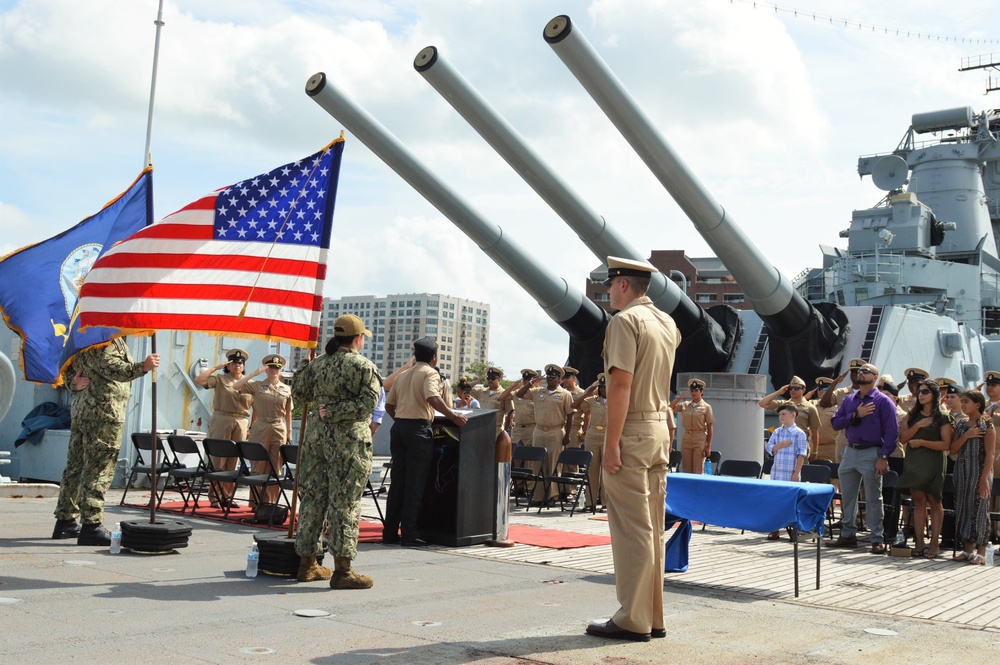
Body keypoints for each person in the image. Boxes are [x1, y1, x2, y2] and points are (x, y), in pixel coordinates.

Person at [585, 256, 679, 643]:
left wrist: (610, 445)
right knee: (653, 527)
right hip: (658, 428)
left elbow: (621, 385)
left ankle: (632, 619)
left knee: (631, 529)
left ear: (623, 284)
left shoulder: (625, 322)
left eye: (610, 284)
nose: (608, 291)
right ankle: (651, 616)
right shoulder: (667, 322)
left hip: (633, 429)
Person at [292, 314, 381, 588]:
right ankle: (343, 571)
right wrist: (335, 410)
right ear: (357, 338)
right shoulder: (363, 366)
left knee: (313, 499)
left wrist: (308, 370)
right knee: (345, 502)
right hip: (347, 442)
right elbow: (368, 404)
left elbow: (298, 394)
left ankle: (308, 564)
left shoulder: (317, 364)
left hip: (316, 439)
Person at [52, 338, 159, 545]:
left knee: (75, 467)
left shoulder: (83, 338)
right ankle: (91, 526)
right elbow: (111, 367)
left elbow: (65, 369)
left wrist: (72, 383)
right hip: (103, 413)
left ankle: (65, 521)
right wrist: (143, 367)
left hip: (84, 411)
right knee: (99, 468)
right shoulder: (103, 338)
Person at [383, 337, 468, 546]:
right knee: (415, 483)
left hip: (399, 428)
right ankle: (410, 535)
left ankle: (390, 533)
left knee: (398, 482)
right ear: (433, 357)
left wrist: (403, 420)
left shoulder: (403, 375)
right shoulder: (430, 373)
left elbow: (389, 405)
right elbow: (432, 397)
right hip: (418, 430)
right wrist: (453, 416)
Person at [827, 362, 899, 554]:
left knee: (873, 497)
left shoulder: (884, 402)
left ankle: (876, 538)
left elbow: (892, 431)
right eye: (860, 371)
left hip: (871, 451)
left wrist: (884, 456)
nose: (861, 373)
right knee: (847, 496)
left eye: (866, 371)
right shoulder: (850, 399)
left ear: (875, 377)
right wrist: (855, 415)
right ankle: (848, 534)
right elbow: (835, 423)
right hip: (850, 451)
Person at [896, 379, 953, 558]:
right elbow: (903, 438)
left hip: (933, 461)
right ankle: (919, 543)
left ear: (935, 395)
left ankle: (934, 544)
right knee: (918, 500)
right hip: (914, 462)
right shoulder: (912, 414)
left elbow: (946, 444)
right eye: (920, 391)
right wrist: (919, 426)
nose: (921, 394)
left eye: (926, 391)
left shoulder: (942, 416)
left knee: (935, 501)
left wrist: (922, 442)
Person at [194, 348, 253, 508]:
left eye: (240, 363)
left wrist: (251, 427)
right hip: (222, 418)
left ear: (243, 366)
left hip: (241, 421)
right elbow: (199, 380)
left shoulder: (250, 383)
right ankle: (215, 496)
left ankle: (227, 496)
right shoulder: (220, 379)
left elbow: (257, 406)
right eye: (233, 363)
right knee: (218, 459)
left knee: (233, 461)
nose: (237, 366)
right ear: (228, 365)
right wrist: (215, 368)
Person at [233, 354, 293, 509]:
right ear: (266, 369)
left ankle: (270, 502)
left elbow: (288, 412)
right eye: (271, 367)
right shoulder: (257, 385)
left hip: (279, 426)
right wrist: (254, 374)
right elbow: (236, 386)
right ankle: (255, 502)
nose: (274, 370)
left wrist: (289, 431)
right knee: (258, 463)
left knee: (275, 465)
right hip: (261, 426)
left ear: (281, 370)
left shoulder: (286, 389)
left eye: (277, 368)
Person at [515, 363, 576, 506]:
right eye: (548, 377)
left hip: (555, 430)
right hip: (539, 430)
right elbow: (519, 394)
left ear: (559, 379)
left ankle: (552, 496)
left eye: (553, 377)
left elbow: (570, 415)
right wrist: (530, 383)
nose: (550, 380)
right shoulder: (537, 391)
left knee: (553, 465)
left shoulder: (564, 394)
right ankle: (538, 496)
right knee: (538, 464)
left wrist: (567, 435)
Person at [950, 390, 996, 565]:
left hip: (979, 473)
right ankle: (967, 550)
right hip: (962, 473)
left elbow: (990, 454)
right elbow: (953, 449)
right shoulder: (961, 426)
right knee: (963, 509)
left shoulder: (987, 426)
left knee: (980, 510)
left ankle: (981, 552)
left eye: (966, 401)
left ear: (977, 404)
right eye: (962, 401)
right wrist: (966, 436)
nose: (963, 405)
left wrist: (984, 478)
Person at [764, 404, 809, 539]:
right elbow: (769, 448)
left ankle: (795, 528)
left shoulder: (799, 433)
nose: (781, 417)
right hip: (777, 472)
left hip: (790, 472)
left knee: (792, 502)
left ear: (793, 415)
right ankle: (775, 528)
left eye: (783, 414)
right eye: (779, 415)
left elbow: (801, 454)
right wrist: (781, 445)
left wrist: (796, 473)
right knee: (775, 500)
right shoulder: (777, 432)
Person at [758, 376, 820, 460]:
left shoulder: (810, 408)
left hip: (800, 446)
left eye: (796, 388)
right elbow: (762, 403)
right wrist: (779, 392)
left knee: (799, 471)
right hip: (783, 445)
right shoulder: (783, 405)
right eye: (791, 388)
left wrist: (814, 451)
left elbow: (814, 431)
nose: (793, 390)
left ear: (803, 390)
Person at [818, 357, 865, 462]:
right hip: (844, 436)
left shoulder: (869, 392)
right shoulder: (841, 392)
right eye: (852, 372)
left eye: (857, 372)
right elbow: (824, 403)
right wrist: (834, 383)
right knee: (841, 470)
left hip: (863, 435)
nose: (854, 374)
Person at [573, 373, 607, 511]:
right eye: (601, 387)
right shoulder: (593, 400)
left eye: (606, 387)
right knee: (592, 470)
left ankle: (606, 502)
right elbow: (575, 404)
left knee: (606, 471)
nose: (603, 389)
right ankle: (590, 502)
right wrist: (589, 389)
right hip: (592, 435)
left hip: (607, 434)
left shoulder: (617, 400)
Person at [669, 378, 713, 474]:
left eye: (696, 390)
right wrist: (680, 397)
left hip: (699, 437)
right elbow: (670, 408)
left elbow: (710, 427)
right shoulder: (685, 405)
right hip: (687, 437)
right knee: (686, 468)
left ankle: (698, 488)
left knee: (698, 469)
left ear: (701, 392)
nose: (693, 393)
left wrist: (708, 445)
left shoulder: (706, 407)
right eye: (692, 391)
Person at [808, 376, 839, 462]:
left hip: (831, 448)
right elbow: (795, 406)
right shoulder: (812, 404)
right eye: (819, 388)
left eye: (825, 388)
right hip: (812, 448)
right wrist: (806, 396)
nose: (821, 391)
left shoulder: (838, 406)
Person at [510, 368, 539, 447]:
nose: (526, 382)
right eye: (525, 379)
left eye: (529, 379)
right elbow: (502, 397)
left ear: (534, 380)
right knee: (515, 455)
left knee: (530, 456)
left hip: (531, 428)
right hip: (517, 429)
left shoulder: (538, 393)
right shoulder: (517, 393)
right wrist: (515, 385)